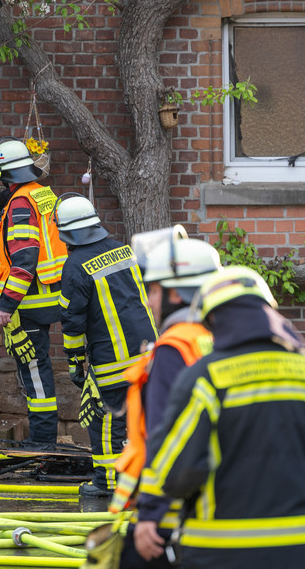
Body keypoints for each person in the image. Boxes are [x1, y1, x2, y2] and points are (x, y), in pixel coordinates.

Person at [134, 265, 305, 569]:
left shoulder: (206, 379)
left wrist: (153, 513)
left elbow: (174, 471)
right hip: (299, 551)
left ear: (213, 319)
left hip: (219, 553)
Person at [110, 226, 223, 568]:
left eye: (154, 290)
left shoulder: (174, 348)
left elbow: (163, 435)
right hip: (212, 502)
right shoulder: (215, 339)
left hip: (171, 510)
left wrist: (151, 513)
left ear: (176, 293)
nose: (149, 301)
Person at [54, 195, 158, 498]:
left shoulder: (75, 266)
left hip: (114, 360)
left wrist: (75, 362)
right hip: (150, 352)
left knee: (106, 416)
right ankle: (146, 476)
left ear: (66, 233)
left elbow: (72, 321)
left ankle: (108, 482)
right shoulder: (124, 250)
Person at [0, 138, 68, 451]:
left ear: (4, 175)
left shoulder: (20, 204)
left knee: (35, 369)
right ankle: (42, 437)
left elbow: (24, 260)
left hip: (30, 301)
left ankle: (42, 440)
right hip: (48, 294)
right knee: (37, 367)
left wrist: (7, 305)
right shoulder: (42, 194)